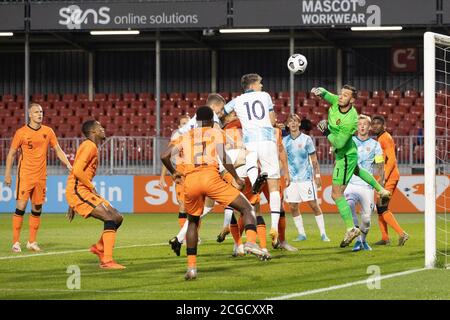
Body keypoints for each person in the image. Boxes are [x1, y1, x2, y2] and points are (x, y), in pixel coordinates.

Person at [161, 106, 270, 280]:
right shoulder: (215, 132)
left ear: (196, 121)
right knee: (247, 208)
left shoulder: (185, 135)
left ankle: (191, 268)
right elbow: (224, 157)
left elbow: (165, 156)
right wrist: (236, 177)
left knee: (192, 221)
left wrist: (173, 172)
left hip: (191, 181)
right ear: (212, 121)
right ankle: (249, 242)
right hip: (210, 178)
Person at [311, 85, 391, 247]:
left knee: (336, 194)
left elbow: (339, 143)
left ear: (352, 100)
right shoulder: (337, 102)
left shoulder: (351, 119)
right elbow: (329, 96)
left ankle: (351, 228)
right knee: (357, 170)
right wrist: (320, 91)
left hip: (345, 155)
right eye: (341, 93)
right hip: (347, 155)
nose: (341, 97)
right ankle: (380, 189)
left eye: (346, 95)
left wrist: (326, 131)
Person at [224, 73, 283, 247]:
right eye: (260, 83)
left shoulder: (237, 100)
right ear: (253, 85)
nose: (262, 86)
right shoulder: (265, 96)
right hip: (267, 140)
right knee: (273, 186)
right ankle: (274, 228)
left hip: (249, 142)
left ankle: (255, 178)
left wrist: (235, 117)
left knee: (251, 165)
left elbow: (222, 113)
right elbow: (272, 120)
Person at [4, 103, 72, 253]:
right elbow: (12, 154)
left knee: (37, 208)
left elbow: (58, 150)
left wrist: (68, 164)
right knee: (20, 207)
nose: (40, 114)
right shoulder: (21, 132)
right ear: (30, 115)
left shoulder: (48, 131)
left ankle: (32, 242)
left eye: (41, 112)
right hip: (25, 175)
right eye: (36, 112)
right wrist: (8, 174)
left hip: (41, 176)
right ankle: (16, 242)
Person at [66, 120, 125, 269]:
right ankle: (107, 261)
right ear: (93, 132)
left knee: (117, 217)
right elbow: (77, 171)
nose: (103, 129)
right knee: (109, 217)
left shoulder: (90, 146)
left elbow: (77, 171)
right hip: (79, 190)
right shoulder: (89, 146)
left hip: (81, 190)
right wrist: (89, 189)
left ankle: (99, 247)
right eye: (100, 127)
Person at [282, 115, 330, 242]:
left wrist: (317, 175)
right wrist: (285, 174)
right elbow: (283, 160)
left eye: (295, 121)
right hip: (292, 179)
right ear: (287, 125)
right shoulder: (284, 141)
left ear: (299, 124)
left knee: (313, 205)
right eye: (290, 121)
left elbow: (314, 159)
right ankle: (302, 234)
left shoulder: (306, 139)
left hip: (306, 178)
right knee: (292, 206)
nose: (292, 123)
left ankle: (323, 234)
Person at [344, 115, 384, 251]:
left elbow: (380, 164)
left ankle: (362, 240)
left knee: (366, 219)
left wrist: (381, 182)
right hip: (351, 183)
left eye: (365, 124)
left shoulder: (375, 145)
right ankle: (355, 238)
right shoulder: (350, 142)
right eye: (359, 124)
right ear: (357, 127)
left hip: (367, 186)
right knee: (349, 205)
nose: (362, 126)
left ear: (369, 127)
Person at [371, 115, 409, 246]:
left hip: (389, 176)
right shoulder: (380, 138)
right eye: (373, 123)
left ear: (384, 125)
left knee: (382, 206)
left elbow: (392, 159)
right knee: (379, 206)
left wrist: (384, 177)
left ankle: (402, 234)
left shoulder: (385, 138)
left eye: (378, 123)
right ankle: (385, 238)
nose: (375, 126)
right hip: (386, 175)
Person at [159, 114, 191, 230]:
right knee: (182, 205)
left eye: (188, 123)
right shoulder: (176, 138)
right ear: (179, 126)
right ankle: (184, 235)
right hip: (180, 172)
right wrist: (162, 177)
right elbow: (166, 157)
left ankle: (194, 234)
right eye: (183, 123)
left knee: (194, 207)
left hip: (194, 173)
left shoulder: (196, 136)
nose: (186, 125)